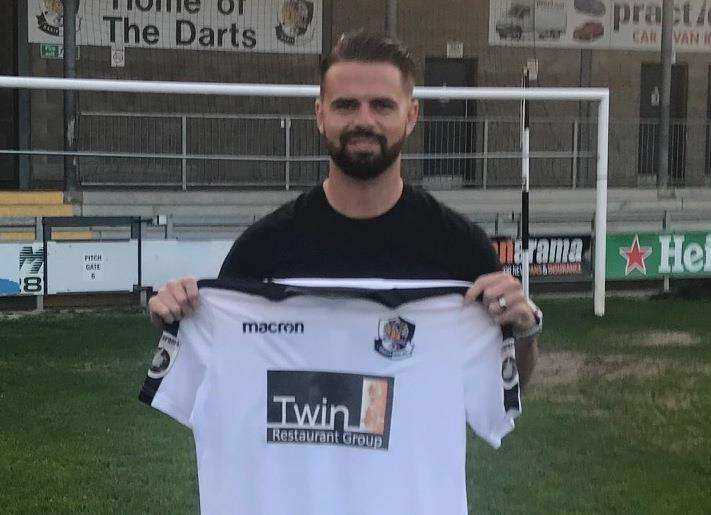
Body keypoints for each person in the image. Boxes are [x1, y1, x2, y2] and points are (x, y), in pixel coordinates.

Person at [148, 29, 539, 387]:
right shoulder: (262, 249)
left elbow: (508, 387)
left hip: (412, 467)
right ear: (320, 115)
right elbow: (220, 378)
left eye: (382, 106)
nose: (363, 120)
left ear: (411, 116)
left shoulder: (461, 247)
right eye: (346, 105)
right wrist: (179, 321)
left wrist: (523, 333)